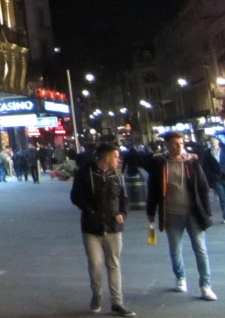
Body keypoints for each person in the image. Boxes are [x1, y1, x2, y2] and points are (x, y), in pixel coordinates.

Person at [146, 131, 217, 301]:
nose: (179, 147)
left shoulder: (191, 162)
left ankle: (205, 285)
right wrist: (151, 211)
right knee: (175, 248)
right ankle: (180, 278)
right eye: (175, 144)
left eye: (181, 143)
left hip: (192, 213)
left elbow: (203, 187)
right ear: (167, 145)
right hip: (171, 214)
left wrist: (206, 212)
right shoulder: (159, 163)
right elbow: (153, 189)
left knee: (200, 249)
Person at [70, 142, 134, 316]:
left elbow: (123, 198)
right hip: (92, 228)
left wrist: (123, 213)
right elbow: (75, 197)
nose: (119, 160)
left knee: (114, 265)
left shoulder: (116, 175)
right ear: (106, 158)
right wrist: (90, 211)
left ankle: (117, 302)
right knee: (95, 264)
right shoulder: (85, 174)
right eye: (116, 156)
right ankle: (97, 293)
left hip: (113, 227)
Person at [199, 136, 225, 222]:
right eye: (211, 140)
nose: (213, 141)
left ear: (218, 141)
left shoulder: (223, 150)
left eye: (214, 140)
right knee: (222, 198)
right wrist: (211, 177)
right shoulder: (207, 153)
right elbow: (205, 167)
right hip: (217, 179)